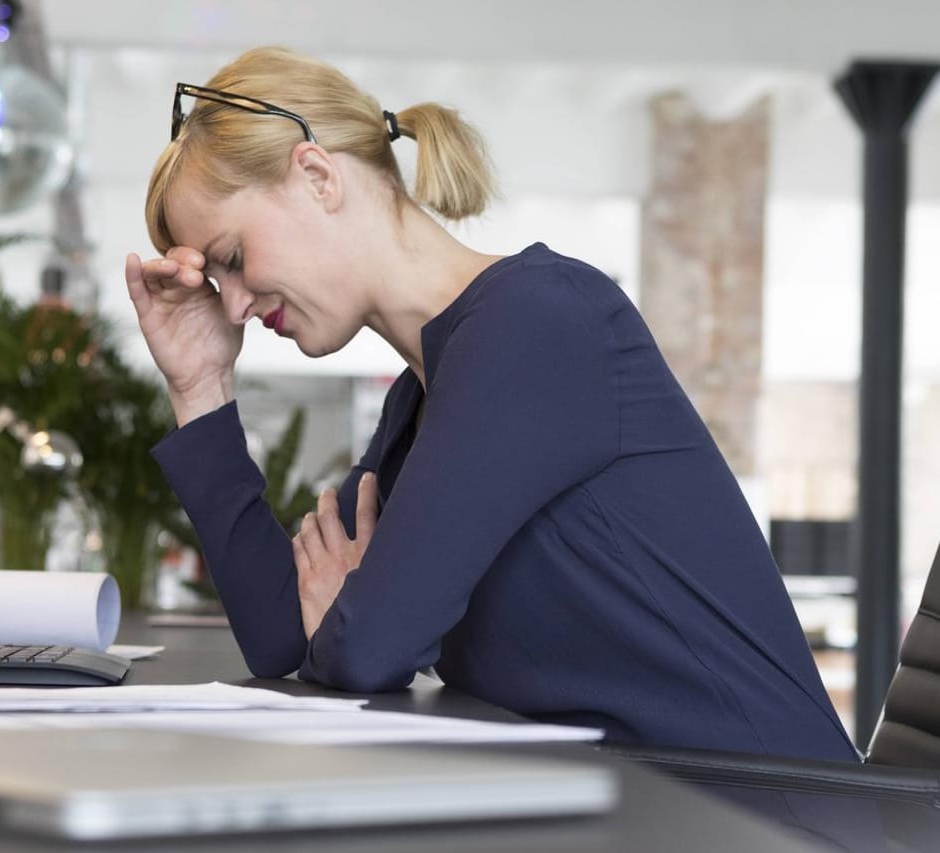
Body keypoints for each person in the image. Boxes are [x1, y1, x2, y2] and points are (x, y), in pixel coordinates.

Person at [123, 46, 855, 762]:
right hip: (628, 802)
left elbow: (367, 645)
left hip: (762, 812)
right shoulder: (428, 391)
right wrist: (200, 387)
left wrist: (356, 616)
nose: (239, 305)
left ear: (317, 176)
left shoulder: (538, 323)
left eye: (232, 259)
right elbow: (287, 633)